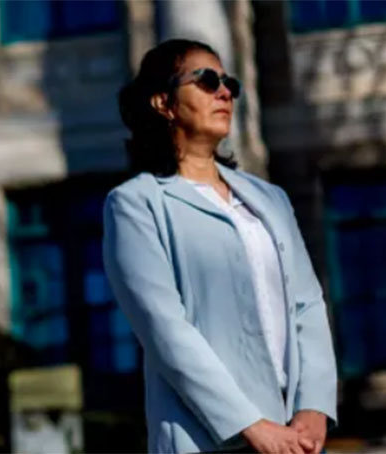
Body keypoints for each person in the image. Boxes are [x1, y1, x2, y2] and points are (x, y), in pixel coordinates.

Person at [103, 39, 337, 454]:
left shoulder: (270, 199)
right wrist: (250, 424)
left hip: (293, 435)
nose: (225, 92)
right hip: (204, 438)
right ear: (163, 102)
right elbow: (165, 331)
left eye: (229, 82)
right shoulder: (136, 204)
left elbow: (307, 304)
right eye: (207, 80)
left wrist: (314, 406)